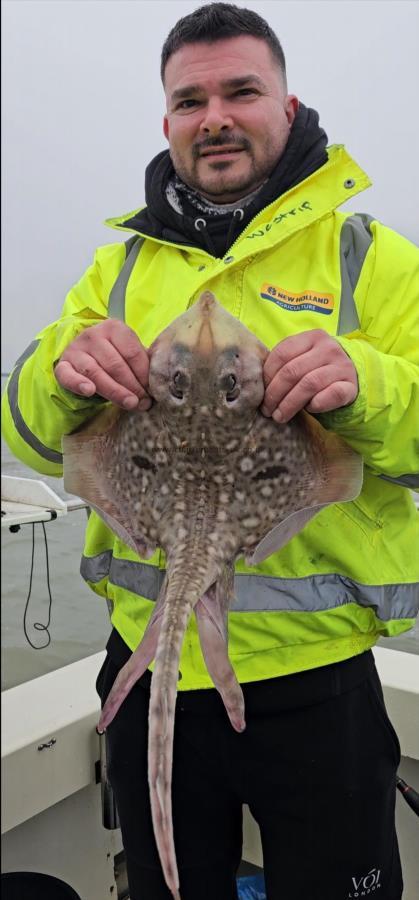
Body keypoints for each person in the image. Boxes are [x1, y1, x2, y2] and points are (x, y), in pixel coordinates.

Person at [2, 3, 418, 898]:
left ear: (287, 103)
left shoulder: (370, 260)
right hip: (148, 662)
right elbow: (31, 437)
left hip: (317, 683)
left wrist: (367, 383)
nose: (215, 116)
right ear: (166, 121)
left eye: (240, 91)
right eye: (190, 100)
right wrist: (61, 377)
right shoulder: (118, 272)